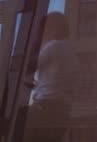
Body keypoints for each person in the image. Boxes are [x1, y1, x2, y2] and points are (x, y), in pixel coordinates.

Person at [22, 12, 78, 142]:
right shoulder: (70, 52)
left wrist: (35, 41)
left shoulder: (53, 47)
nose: (43, 33)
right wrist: (37, 84)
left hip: (46, 109)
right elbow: (58, 83)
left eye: (44, 28)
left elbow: (27, 66)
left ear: (53, 28)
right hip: (62, 111)